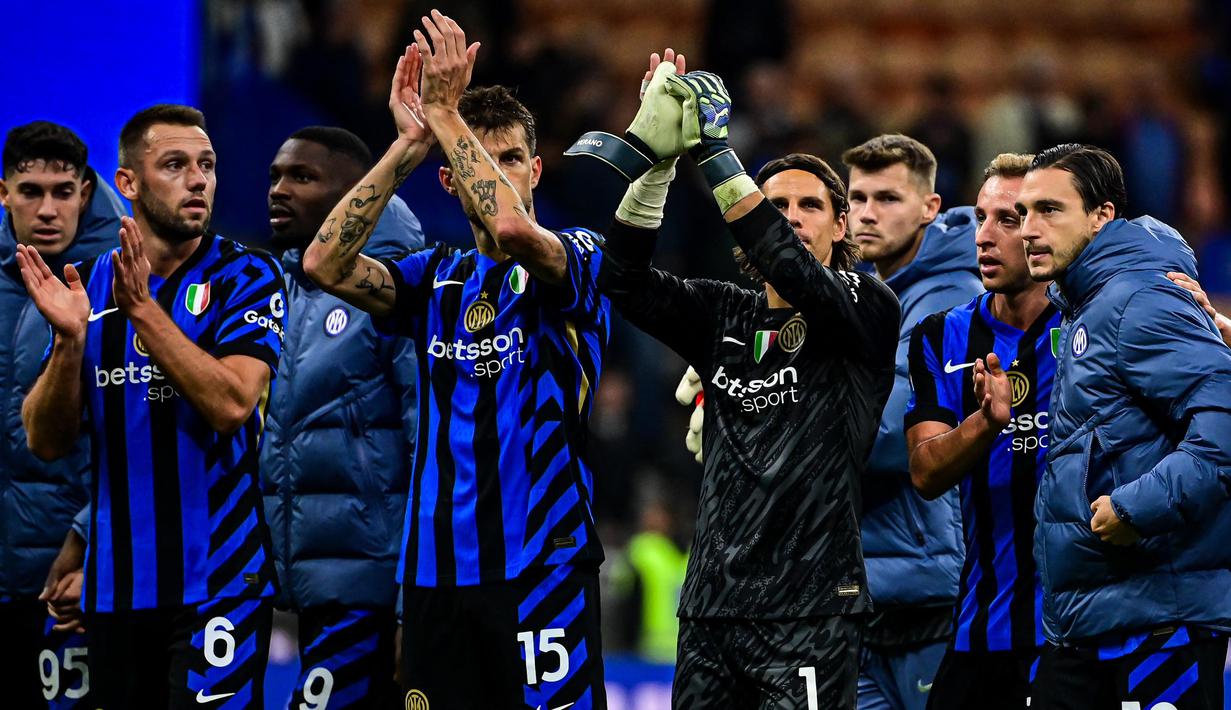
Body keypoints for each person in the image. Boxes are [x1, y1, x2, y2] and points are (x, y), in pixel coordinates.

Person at [302, 12, 610, 709]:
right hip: (435, 573)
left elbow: (508, 226)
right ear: (446, 182)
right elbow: (322, 262)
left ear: (534, 170)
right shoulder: (431, 277)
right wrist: (409, 145)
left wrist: (445, 111)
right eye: (477, 159)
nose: (494, 174)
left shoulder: (580, 257)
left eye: (508, 159)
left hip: (542, 567)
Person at [570, 59, 899, 707]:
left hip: (810, 610)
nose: (794, 216)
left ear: (841, 227)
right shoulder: (723, 311)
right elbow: (622, 282)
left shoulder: (864, 307)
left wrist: (717, 155)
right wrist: (658, 168)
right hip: (712, 609)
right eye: (778, 205)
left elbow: (793, 268)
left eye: (811, 205)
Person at [18, 104, 285, 709]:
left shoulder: (246, 275)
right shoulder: (83, 287)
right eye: (175, 165)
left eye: (207, 165)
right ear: (129, 184)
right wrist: (67, 342)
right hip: (114, 587)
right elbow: (45, 438)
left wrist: (143, 311)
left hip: (220, 581)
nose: (199, 180)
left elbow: (232, 403)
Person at [1019, 144, 1231, 710]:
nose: (1028, 230)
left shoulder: (1139, 298)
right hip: (1094, 622)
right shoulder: (1089, 304)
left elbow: (1225, 422)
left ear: (1102, 216)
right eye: (1023, 213)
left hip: (1161, 626)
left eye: (1049, 210)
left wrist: (1138, 508)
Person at [262, 126, 423, 708]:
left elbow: (425, 441)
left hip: (370, 585)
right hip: (308, 584)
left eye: (302, 178)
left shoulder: (394, 290)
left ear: (359, 193)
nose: (279, 190)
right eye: (276, 176)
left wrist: (411, 601)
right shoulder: (275, 294)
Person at [903, 153, 1059, 709]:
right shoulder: (941, 335)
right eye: (982, 218)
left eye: (1008, 220)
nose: (985, 236)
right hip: (982, 625)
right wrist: (985, 424)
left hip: (1074, 634)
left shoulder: (1092, 327)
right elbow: (924, 472)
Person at [843, 134, 983, 710]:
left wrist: (774, 418)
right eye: (857, 198)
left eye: (888, 198)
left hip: (928, 590)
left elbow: (888, 440)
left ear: (930, 207)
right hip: (869, 588)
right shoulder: (868, 294)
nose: (868, 214)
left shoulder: (949, 301)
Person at [0, 120, 123, 708]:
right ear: (3, 194)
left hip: (70, 581)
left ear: (85, 192)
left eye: (62, 192)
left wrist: (91, 545)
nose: (47, 209)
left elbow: (143, 442)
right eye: (30, 192)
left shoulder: (127, 287)